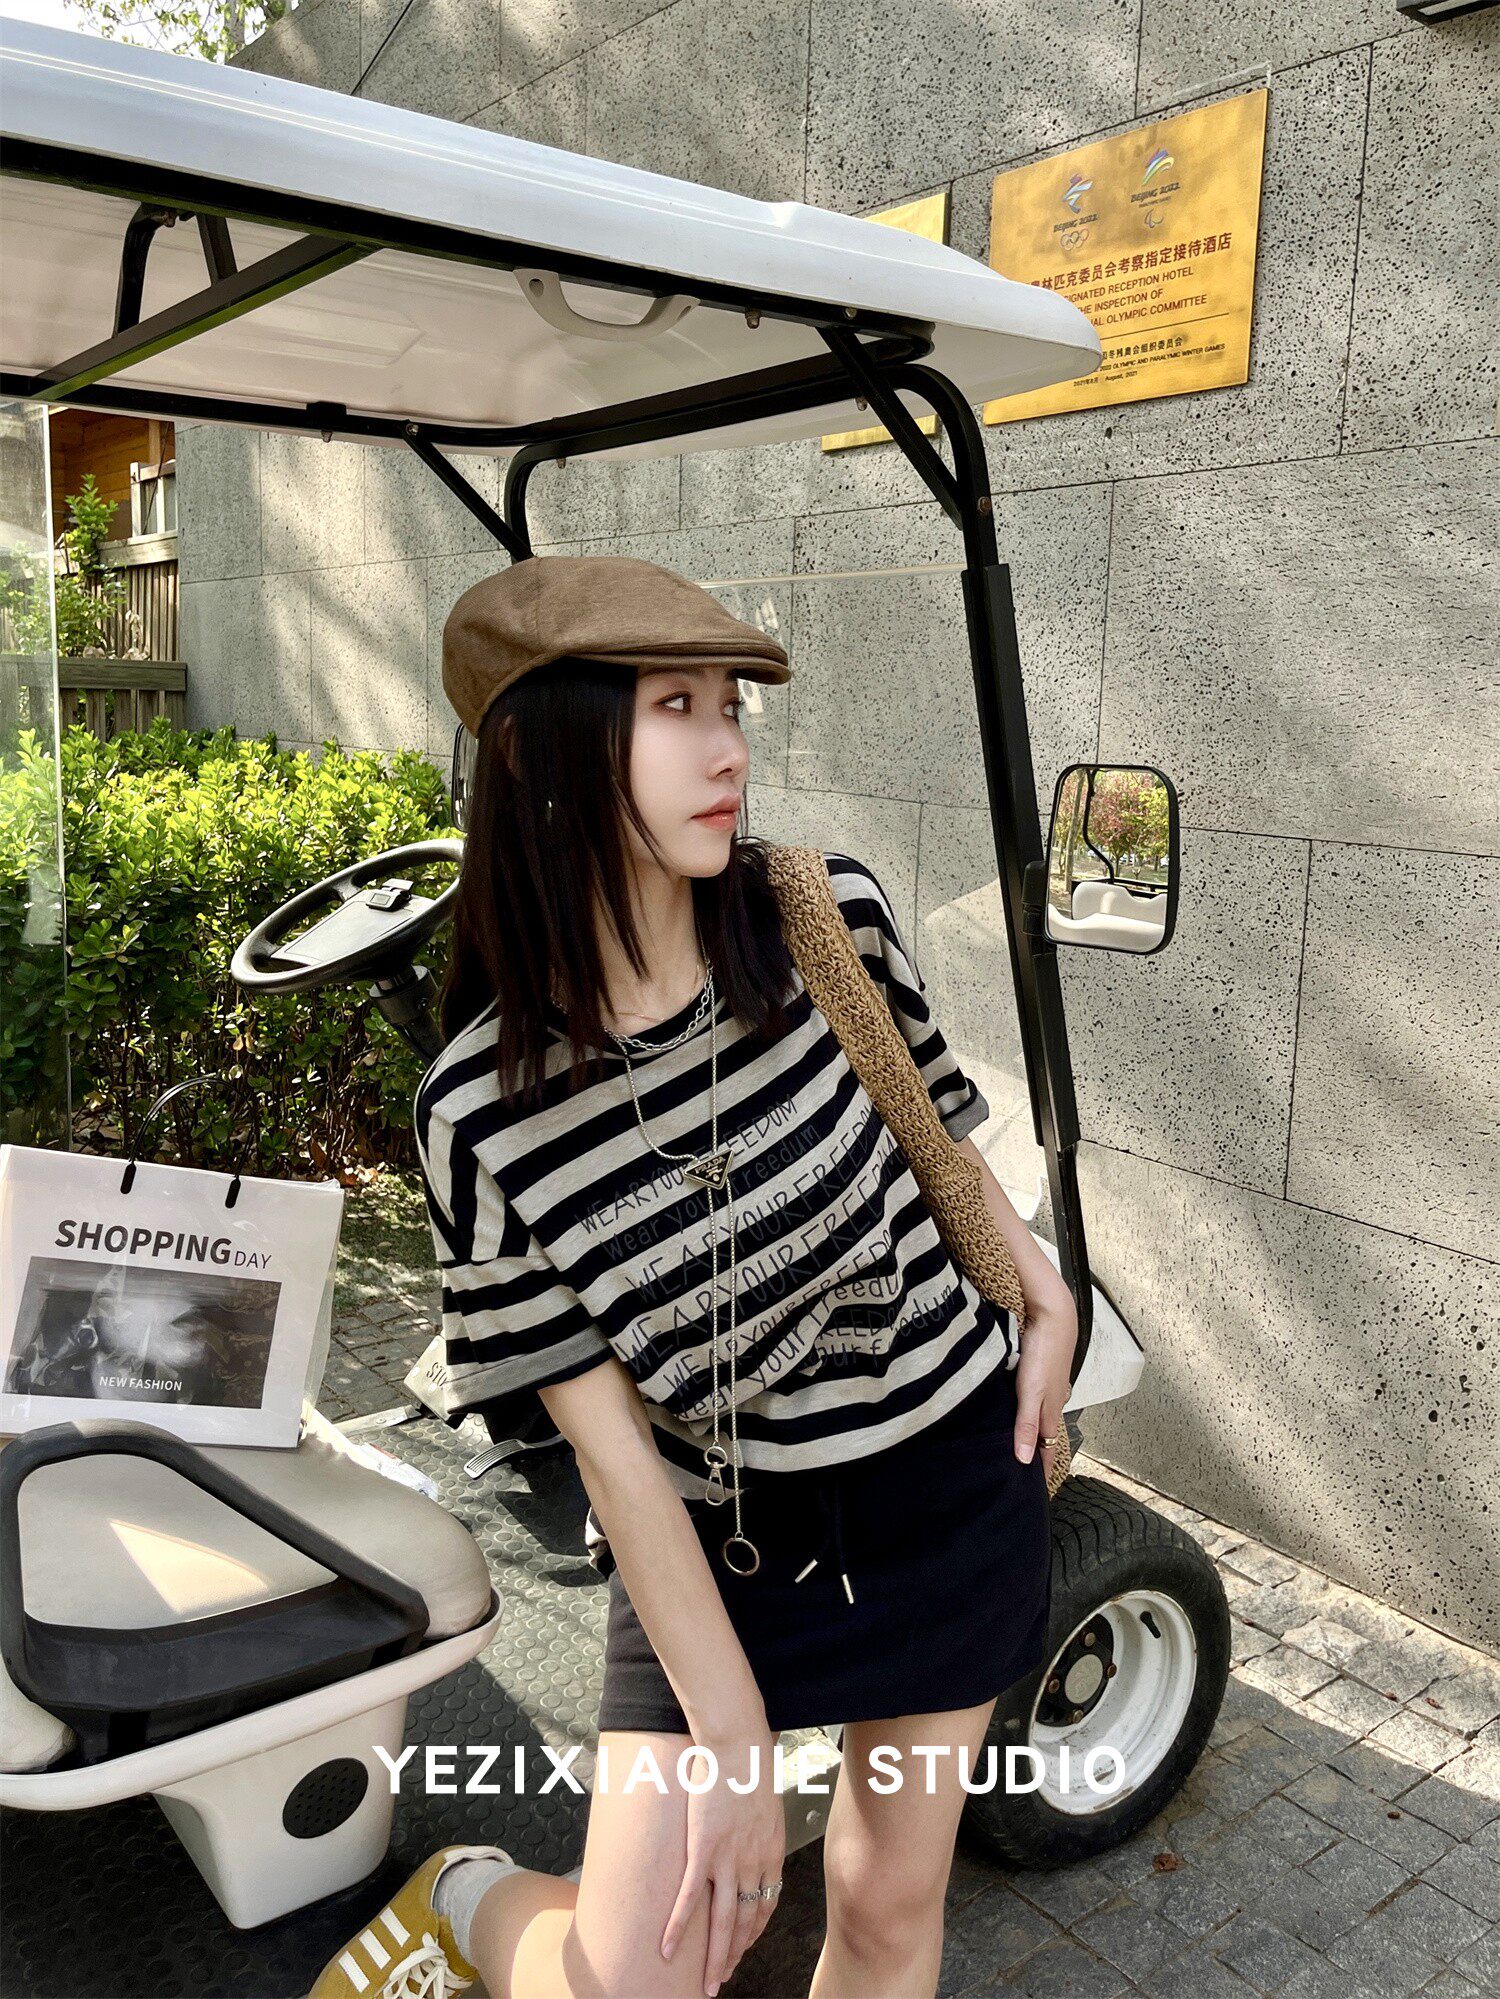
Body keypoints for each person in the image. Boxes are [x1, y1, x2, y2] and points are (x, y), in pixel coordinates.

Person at [310, 553, 1078, 1999]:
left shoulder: (820, 915)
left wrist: (1043, 1288)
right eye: (676, 706)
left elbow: (936, 1131)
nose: (729, 748)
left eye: (732, 706)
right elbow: (611, 1462)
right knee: (632, 1980)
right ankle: (473, 1892)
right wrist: (733, 1747)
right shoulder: (481, 1112)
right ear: (543, 753)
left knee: (887, 1907)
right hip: (721, 1538)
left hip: (948, 1483)